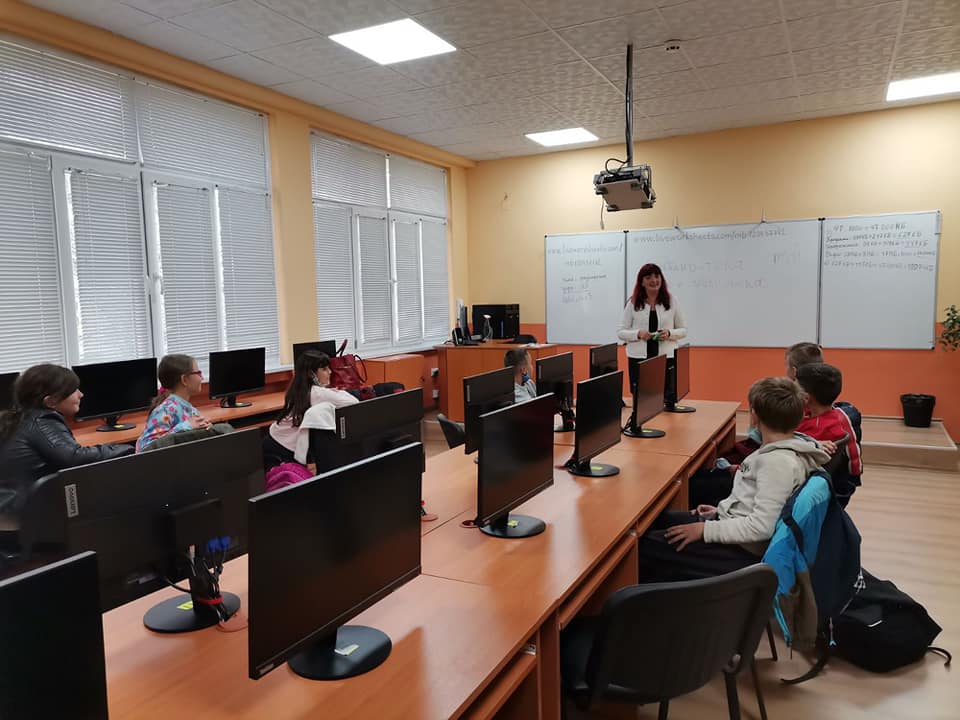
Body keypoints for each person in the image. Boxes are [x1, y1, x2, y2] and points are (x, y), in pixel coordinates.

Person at [640, 377, 829, 582]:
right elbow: (753, 501)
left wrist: (705, 530)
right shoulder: (782, 451)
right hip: (732, 528)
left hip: (742, 551)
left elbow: (761, 527)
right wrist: (721, 510)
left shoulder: (776, 464)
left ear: (754, 416)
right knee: (656, 520)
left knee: (643, 546)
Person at [0, 364, 133, 512]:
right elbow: (74, 457)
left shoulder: (20, 418)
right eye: (74, 391)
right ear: (50, 401)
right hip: (29, 510)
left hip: (12, 506)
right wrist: (127, 449)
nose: (81, 394)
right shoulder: (42, 420)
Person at [264, 350, 358, 470]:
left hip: (273, 439)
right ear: (311, 374)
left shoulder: (298, 388)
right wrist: (336, 392)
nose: (330, 372)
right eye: (324, 369)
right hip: (283, 449)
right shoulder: (317, 393)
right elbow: (353, 402)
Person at [796, 363, 863, 505]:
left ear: (806, 398)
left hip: (802, 486)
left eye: (795, 388)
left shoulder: (819, 429)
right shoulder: (836, 418)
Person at [617, 263, 687, 395]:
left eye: (657, 276)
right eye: (648, 277)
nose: (654, 280)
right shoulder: (633, 303)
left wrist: (669, 333)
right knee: (641, 398)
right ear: (642, 282)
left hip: (666, 358)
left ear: (661, 278)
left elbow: (683, 330)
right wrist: (638, 334)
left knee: (666, 396)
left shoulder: (672, 301)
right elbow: (621, 332)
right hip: (639, 359)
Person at [136, 354, 212, 453]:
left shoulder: (191, 410)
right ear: (184, 380)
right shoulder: (163, 411)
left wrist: (207, 432)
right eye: (198, 373)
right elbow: (145, 449)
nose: (202, 378)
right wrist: (185, 427)